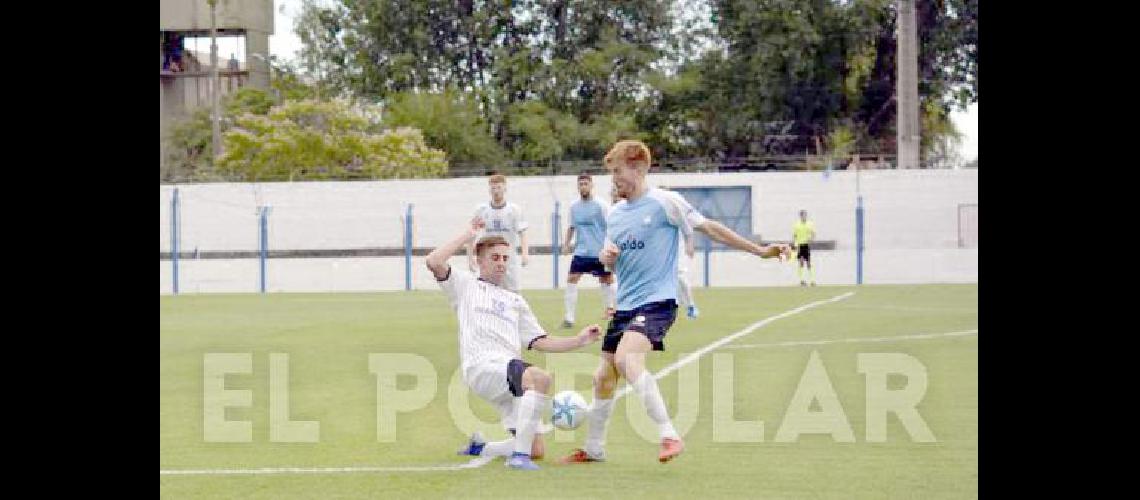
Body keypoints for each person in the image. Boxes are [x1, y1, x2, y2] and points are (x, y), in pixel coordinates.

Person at [561, 140, 791, 465]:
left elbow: (711, 228)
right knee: (603, 377)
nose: (613, 180)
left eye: (617, 172)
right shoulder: (614, 214)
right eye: (611, 173)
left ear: (639, 167)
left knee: (628, 359)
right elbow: (610, 260)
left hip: (658, 303)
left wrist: (759, 250)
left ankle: (669, 435)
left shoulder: (665, 202)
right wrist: (606, 257)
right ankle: (594, 449)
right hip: (625, 306)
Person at [427, 217, 602, 470]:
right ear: (479, 260)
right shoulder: (465, 286)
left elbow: (541, 341)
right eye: (495, 257)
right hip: (483, 366)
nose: (501, 263)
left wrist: (580, 340)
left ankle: (482, 447)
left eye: (505, 258)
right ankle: (518, 459)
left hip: (510, 375)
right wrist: (468, 234)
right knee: (540, 378)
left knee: (536, 449)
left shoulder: (515, 301)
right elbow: (433, 261)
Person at [562, 174, 616, 328]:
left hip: (599, 252)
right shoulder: (574, 206)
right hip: (581, 252)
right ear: (578, 187)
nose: (583, 187)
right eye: (581, 184)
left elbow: (611, 226)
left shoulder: (601, 205)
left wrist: (610, 247)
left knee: (606, 280)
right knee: (572, 279)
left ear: (592, 185)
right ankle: (569, 318)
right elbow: (571, 226)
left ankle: (610, 309)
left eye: (586, 184)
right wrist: (566, 244)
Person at [467, 174, 529, 292]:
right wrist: (470, 258)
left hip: (508, 258)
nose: (496, 191)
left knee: (513, 292)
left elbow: (522, 233)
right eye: (493, 188)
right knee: (486, 290)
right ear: (489, 190)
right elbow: (471, 235)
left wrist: (525, 254)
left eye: (498, 188)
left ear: (505, 188)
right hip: (488, 258)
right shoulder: (481, 210)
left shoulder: (514, 210)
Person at [793, 209, 817, 286]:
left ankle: (812, 280)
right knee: (801, 262)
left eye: (805, 215)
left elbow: (813, 233)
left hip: (806, 245)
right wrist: (796, 244)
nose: (804, 216)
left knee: (809, 263)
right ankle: (801, 280)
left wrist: (811, 239)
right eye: (803, 215)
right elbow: (795, 235)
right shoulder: (797, 225)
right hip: (800, 245)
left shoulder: (809, 224)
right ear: (800, 216)